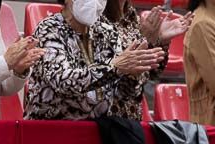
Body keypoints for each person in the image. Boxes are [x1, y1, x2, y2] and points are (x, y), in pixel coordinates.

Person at [24, 0, 164, 120]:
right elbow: (63, 81)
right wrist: (114, 67)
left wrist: (132, 75)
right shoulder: (49, 29)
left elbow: (123, 96)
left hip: (95, 131)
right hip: (49, 129)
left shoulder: (107, 31)